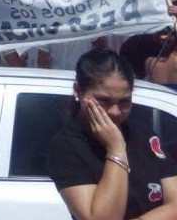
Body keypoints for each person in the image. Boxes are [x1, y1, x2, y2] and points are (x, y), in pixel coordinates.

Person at [47, 48, 177, 220]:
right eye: (104, 101)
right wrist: (116, 150)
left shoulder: (143, 134)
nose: (115, 112)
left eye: (124, 101)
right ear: (78, 91)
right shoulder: (66, 145)